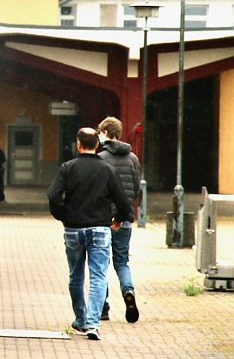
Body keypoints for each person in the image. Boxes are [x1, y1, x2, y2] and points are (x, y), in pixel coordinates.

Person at [47, 127, 132, 341]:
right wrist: (119, 219)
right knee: (98, 277)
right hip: (100, 229)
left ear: (78, 144)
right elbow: (122, 201)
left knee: (76, 275)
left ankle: (81, 320)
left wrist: (63, 215)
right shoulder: (106, 169)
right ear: (98, 145)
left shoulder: (68, 168)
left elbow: (53, 195)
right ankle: (94, 324)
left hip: (73, 228)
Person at [97, 116, 141, 323]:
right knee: (122, 262)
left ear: (105, 133)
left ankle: (103, 308)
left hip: (105, 219)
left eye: (100, 132)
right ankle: (128, 292)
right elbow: (136, 190)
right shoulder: (133, 158)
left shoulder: (101, 158)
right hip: (125, 220)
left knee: (101, 263)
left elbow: (98, 190)